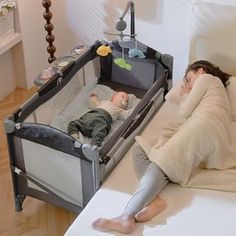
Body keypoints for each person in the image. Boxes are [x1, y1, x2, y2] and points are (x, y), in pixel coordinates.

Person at [91, 60, 233, 234]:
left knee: (163, 162)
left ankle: (126, 216)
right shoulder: (216, 92)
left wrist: (184, 92)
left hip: (204, 126)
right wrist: (186, 89)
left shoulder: (206, 79)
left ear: (201, 71)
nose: (187, 85)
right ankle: (156, 201)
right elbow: (177, 105)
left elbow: (183, 111)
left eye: (188, 79)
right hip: (212, 135)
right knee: (140, 149)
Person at [67, 91, 132, 147]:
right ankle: (74, 135)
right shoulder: (103, 102)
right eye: (122, 96)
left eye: (126, 101)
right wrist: (93, 97)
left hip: (102, 121)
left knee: (99, 133)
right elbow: (93, 103)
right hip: (90, 116)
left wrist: (139, 107)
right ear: (113, 97)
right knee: (73, 123)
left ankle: (93, 147)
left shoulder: (120, 111)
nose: (124, 100)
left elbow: (128, 114)